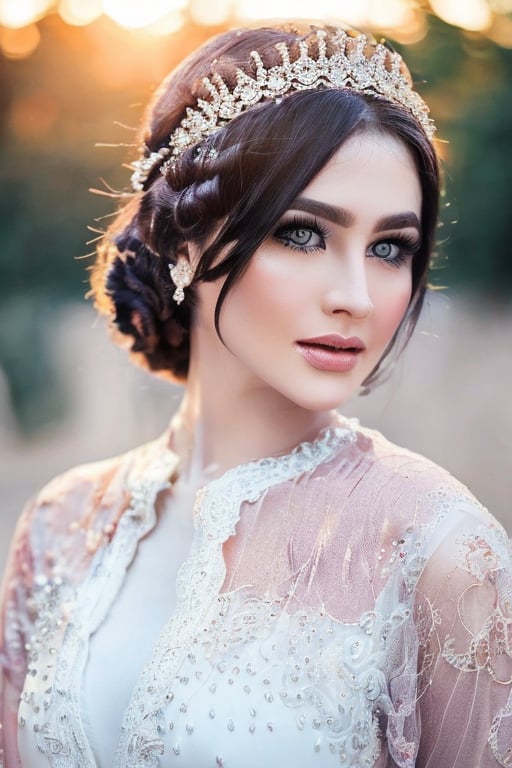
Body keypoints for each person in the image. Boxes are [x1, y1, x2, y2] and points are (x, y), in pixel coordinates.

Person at [0, 21, 510, 768]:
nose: (356, 297)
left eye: (389, 247)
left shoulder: (442, 553)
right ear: (184, 241)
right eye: (302, 234)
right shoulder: (59, 527)